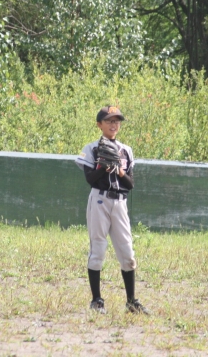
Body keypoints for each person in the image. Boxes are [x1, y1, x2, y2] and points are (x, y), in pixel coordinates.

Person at [75, 105, 149, 315]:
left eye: (116, 121)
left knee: (127, 253)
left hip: (120, 203)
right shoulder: (91, 148)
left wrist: (118, 170)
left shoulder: (126, 150)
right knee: (98, 249)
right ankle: (97, 301)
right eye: (109, 121)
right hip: (99, 200)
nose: (114, 124)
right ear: (99, 124)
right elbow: (90, 179)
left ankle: (131, 302)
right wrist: (102, 167)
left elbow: (130, 184)